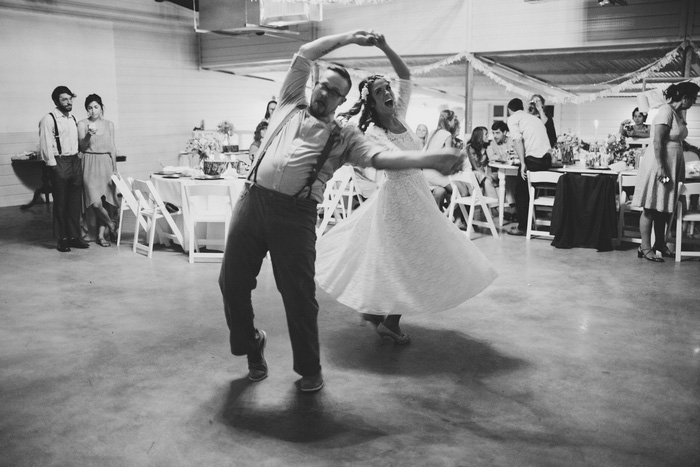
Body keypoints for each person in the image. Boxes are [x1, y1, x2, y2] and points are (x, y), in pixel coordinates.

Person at [218, 30, 462, 393]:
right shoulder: (288, 103)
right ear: (313, 84)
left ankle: (309, 369)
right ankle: (252, 344)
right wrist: (350, 38)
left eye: (335, 92)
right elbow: (304, 50)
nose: (325, 94)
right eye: (323, 86)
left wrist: (430, 158)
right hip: (251, 202)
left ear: (342, 100)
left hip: (295, 215)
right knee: (231, 283)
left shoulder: (344, 136)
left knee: (298, 295)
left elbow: (380, 158)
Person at [316, 34, 497, 345]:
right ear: (371, 101)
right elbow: (392, 161)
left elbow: (405, 76)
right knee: (402, 258)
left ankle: (384, 316)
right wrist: (433, 160)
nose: (387, 92)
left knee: (411, 256)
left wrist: (385, 47)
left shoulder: (399, 114)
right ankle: (386, 318)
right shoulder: (373, 130)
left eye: (387, 89)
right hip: (397, 199)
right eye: (379, 91)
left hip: (418, 194)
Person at [632, 81, 699, 261]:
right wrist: (661, 168)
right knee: (650, 206)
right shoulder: (665, 111)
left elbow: (676, 139)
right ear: (684, 98)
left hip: (671, 164)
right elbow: (657, 141)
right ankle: (644, 247)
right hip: (659, 164)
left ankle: (659, 244)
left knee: (662, 207)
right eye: (693, 99)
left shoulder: (677, 113)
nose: (693, 102)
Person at [39, 86, 90, 252]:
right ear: (56, 101)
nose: (68, 102)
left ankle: (74, 237)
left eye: (70, 99)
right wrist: (53, 166)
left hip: (75, 161)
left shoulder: (72, 118)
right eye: (64, 99)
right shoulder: (49, 119)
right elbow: (46, 144)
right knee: (60, 203)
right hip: (60, 163)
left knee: (74, 202)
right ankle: (62, 239)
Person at [506, 98, 552, 236]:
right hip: (547, 160)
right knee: (527, 190)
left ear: (510, 110)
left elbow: (517, 140)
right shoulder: (534, 119)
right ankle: (529, 223)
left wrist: (522, 163)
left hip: (534, 160)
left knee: (520, 193)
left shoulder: (513, 118)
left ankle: (523, 228)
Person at [77, 94, 119, 247]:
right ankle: (112, 225)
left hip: (106, 164)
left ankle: (101, 236)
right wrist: (89, 134)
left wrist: (115, 169)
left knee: (106, 202)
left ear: (101, 107)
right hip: (89, 163)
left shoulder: (109, 124)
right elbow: (82, 147)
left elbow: (113, 149)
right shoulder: (82, 124)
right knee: (95, 204)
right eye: (89, 108)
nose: (93, 110)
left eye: (96, 107)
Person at [424, 110, 462, 208]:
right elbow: (448, 158)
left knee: (450, 191)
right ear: (448, 121)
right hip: (436, 175)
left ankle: (449, 216)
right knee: (460, 192)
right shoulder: (447, 135)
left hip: (426, 174)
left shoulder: (432, 133)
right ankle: (447, 216)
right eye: (453, 120)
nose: (454, 122)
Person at [466, 126, 498, 201]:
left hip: (486, 172)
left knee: (488, 181)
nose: (488, 136)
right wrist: (486, 176)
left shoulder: (488, 146)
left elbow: (490, 162)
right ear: (479, 136)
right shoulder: (470, 148)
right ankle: (494, 207)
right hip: (477, 173)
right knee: (479, 176)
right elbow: (475, 167)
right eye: (486, 134)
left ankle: (494, 207)